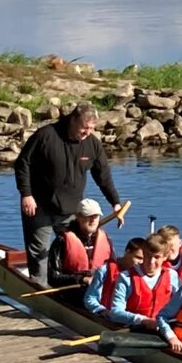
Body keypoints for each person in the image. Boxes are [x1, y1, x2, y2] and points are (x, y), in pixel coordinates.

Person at [15, 102, 122, 285]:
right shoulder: (46, 135)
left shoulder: (92, 144)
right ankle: (40, 293)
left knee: (74, 252)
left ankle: (74, 289)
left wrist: (115, 202)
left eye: (92, 128)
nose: (87, 132)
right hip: (40, 208)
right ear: (73, 120)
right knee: (41, 254)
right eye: (84, 128)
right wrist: (26, 194)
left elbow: (103, 175)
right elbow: (22, 164)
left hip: (72, 211)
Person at [46, 198, 114, 301]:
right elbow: (53, 278)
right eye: (88, 216)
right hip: (74, 291)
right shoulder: (62, 241)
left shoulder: (106, 239)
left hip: (100, 288)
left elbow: (114, 269)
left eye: (96, 216)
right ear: (78, 217)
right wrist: (82, 279)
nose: (93, 220)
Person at [110, 233, 179, 329]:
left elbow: (178, 306)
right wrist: (143, 320)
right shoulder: (126, 277)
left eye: (157, 257)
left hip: (163, 328)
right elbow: (115, 312)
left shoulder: (172, 276)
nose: (151, 262)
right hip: (134, 329)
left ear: (165, 257)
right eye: (148, 256)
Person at [84, 237, 144, 316]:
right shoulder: (105, 270)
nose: (141, 262)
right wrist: (101, 310)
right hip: (107, 316)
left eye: (144, 259)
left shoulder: (143, 275)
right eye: (138, 258)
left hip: (132, 318)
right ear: (127, 252)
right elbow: (90, 298)